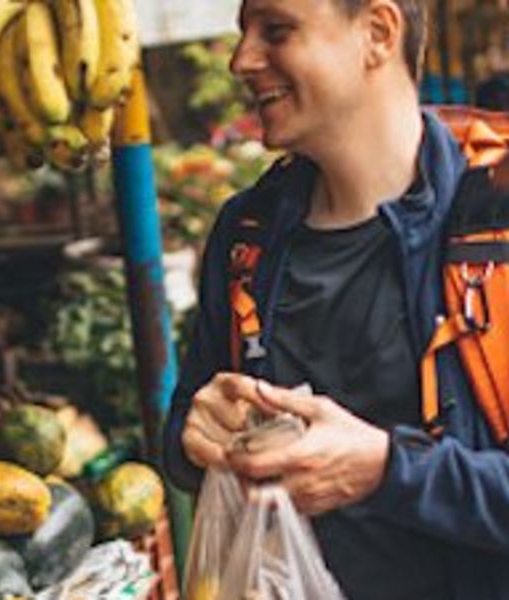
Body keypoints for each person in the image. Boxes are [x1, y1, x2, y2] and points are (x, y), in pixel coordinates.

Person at [163, 0, 509, 599]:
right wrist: (197, 435)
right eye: (242, 33)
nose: (241, 60)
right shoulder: (248, 236)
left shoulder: (495, 218)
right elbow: (182, 439)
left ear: (376, 33)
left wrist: (388, 471)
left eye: (277, 30)